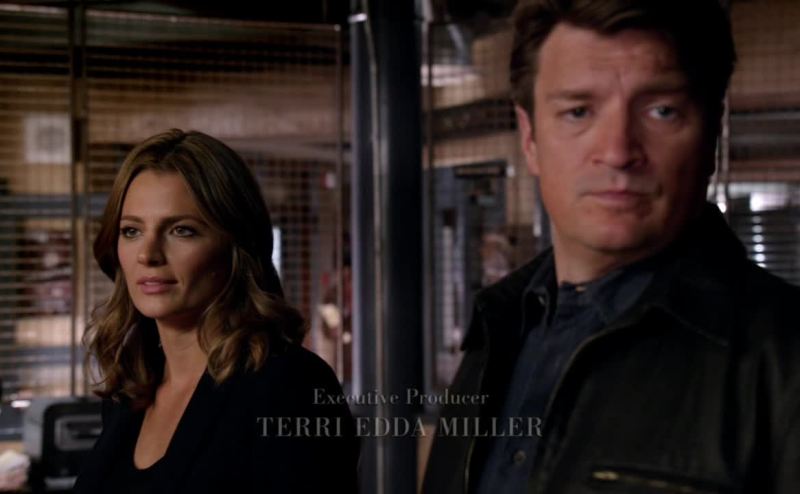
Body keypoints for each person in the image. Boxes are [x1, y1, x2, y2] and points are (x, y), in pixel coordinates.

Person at [423, 1, 800, 493]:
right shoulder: (498, 330)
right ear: (530, 138)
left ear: (712, 134)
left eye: (662, 111)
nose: (619, 151)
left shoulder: (783, 360)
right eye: (578, 112)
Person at [74, 129, 359, 493]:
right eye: (131, 231)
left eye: (181, 230)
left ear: (235, 245)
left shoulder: (290, 386)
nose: (148, 255)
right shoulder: (130, 392)